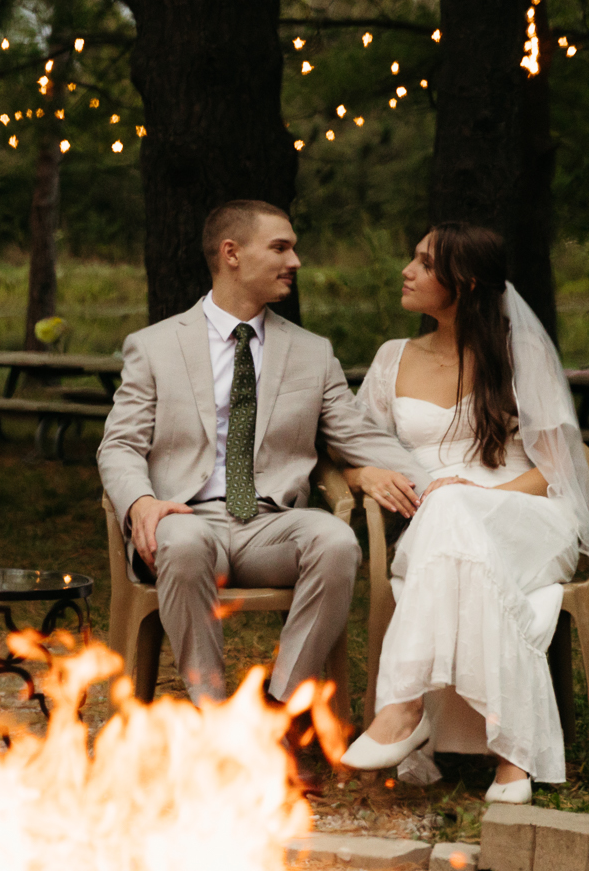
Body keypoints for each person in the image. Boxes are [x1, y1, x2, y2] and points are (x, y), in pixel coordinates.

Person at [97, 200, 430, 718]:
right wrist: (140, 501)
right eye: (280, 247)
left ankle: (276, 712)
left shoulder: (312, 352)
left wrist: (438, 485)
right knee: (181, 540)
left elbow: (358, 436)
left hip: (270, 526)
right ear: (231, 254)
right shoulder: (154, 346)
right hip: (184, 519)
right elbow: (119, 444)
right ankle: (212, 712)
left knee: (336, 540)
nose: (295, 260)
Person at [337, 224, 589, 802]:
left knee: (451, 502)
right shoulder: (392, 358)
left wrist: (477, 495)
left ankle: (402, 708)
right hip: (437, 528)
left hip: (527, 516)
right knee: (451, 521)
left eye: (424, 263)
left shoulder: (515, 352)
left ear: (466, 282)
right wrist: (366, 474)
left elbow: (554, 470)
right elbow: (350, 449)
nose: (406, 269)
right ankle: (512, 759)